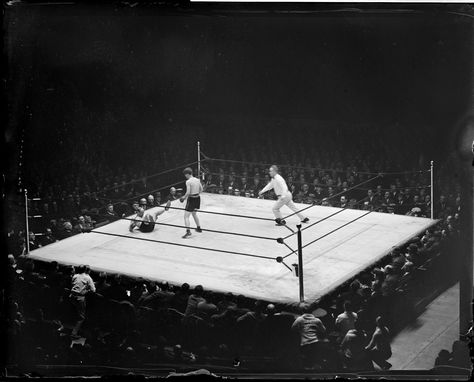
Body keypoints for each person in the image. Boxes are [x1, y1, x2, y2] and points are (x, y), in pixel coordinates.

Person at [180, 167, 203, 239]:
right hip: (198, 198)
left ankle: (188, 231)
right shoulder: (197, 180)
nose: (185, 176)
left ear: (187, 174)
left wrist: (183, 197)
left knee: (186, 216)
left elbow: (188, 192)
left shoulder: (188, 181)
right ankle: (198, 228)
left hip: (192, 199)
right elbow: (201, 189)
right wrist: (196, 193)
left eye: (185, 175)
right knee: (194, 213)